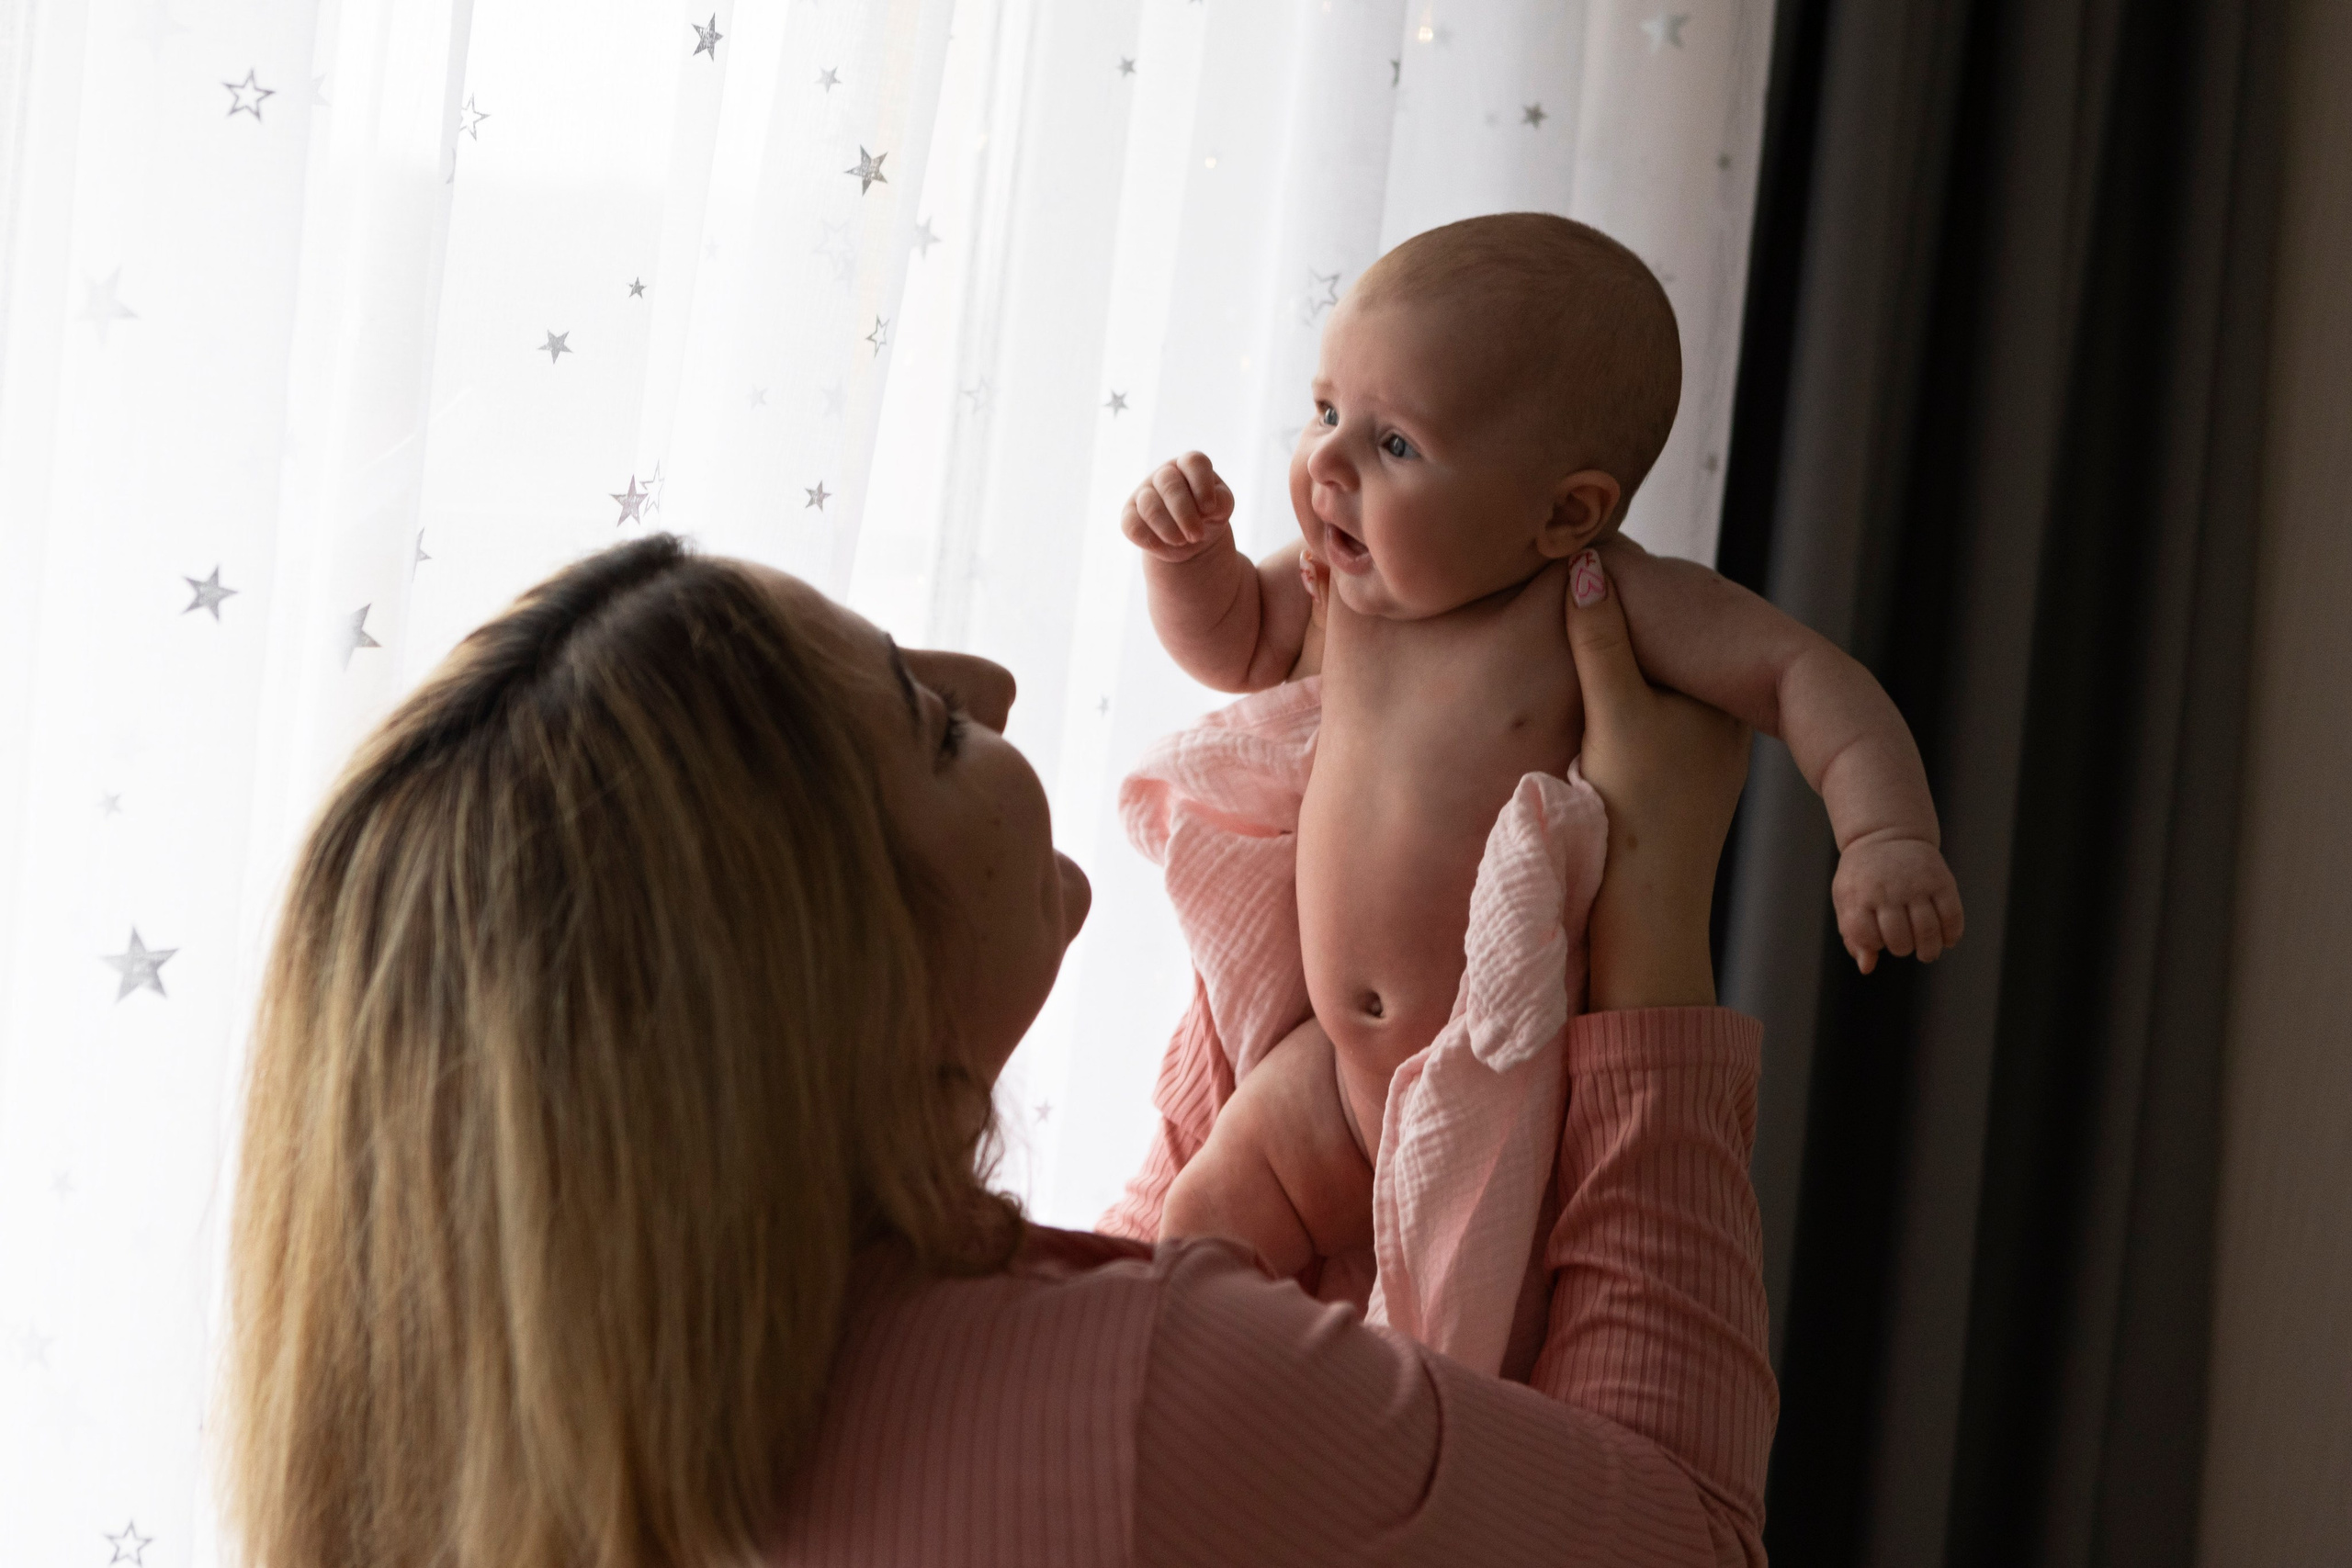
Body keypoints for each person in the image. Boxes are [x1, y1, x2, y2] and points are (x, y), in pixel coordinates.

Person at [220, 531, 1773, 1568]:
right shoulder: (1151, 1400)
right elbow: (1690, 1537)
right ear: (824, 969)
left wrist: (1289, 967)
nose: (993, 685)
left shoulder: (548, 1453)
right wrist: (1646, 920)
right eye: (927, 723)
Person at [1125, 211, 1962, 1278]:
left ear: (1567, 514)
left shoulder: (1597, 600)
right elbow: (1236, 645)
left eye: (1392, 443)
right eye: (1326, 409)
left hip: (1503, 1091)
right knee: (1201, 1232)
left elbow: (1804, 676)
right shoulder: (1348, 584)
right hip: (1328, 1078)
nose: (1326, 460)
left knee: (1474, 1326)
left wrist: (1885, 832)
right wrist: (1187, 561)